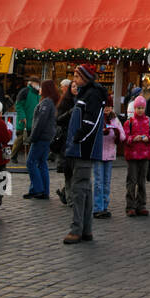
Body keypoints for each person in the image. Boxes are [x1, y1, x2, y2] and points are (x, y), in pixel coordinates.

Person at [62, 63, 107, 245]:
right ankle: (86, 229)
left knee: (79, 188)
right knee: (85, 188)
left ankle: (76, 229)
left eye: (77, 76)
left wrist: (79, 138)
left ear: (86, 77)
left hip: (84, 148)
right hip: (80, 147)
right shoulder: (84, 93)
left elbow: (92, 120)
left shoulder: (92, 94)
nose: (74, 79)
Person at [121, 93, 150, 217]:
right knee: (132, 181)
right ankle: (130, 206)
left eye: (142, 108)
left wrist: (149, 138)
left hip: (145, 156)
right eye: (138, 108)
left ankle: (141, 205)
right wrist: (132, 139)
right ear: (134, 108)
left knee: (141, 181)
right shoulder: (129, 122)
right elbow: (124, 137)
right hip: (132, 156)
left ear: (144, 108)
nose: (140, 110)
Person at [25, 79, 58, 200]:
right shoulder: (50, 102)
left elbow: (40, 122)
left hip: (41, 137)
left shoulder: (46, 103)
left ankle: (38, 189)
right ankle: (42, 190)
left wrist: (33, 137)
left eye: (41, 87)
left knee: (31, 162)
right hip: (46, 136)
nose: (39, 89)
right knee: (42, 163)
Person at [93, 95, 124, 218]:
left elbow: (123, 136)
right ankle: (97, 207)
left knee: (106, 182)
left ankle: (105, 206)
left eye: (110, 106)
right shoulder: (97, 118)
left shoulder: (114, 119)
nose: (108, 109)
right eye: (106, 106)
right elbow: (93, 135)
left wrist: (116, 132)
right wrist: (101, 133)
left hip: (110, 154)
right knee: (98, 182)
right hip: (98, 154)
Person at [54, 81, 77, 206]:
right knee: (68, 171)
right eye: (73, 86)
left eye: (77, 87)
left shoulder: (83, 101)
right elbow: (58, 119)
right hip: (67, 139)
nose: (75, 89)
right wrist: (70, 112)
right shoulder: (65, 102)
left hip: (78, 139)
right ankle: (69, 198)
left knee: (77, 171)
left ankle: (68, 194)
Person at [12, 78, 40, 165]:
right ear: (31, 83)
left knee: (33, 140)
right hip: (24, 120)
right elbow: (19, 105)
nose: (38, 85)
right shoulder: (24, 91)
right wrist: (22, 116)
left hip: (34, 121)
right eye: (36, 83)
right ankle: (13, 156)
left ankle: (32, 157)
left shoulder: (38, 93)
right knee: (20, 139)